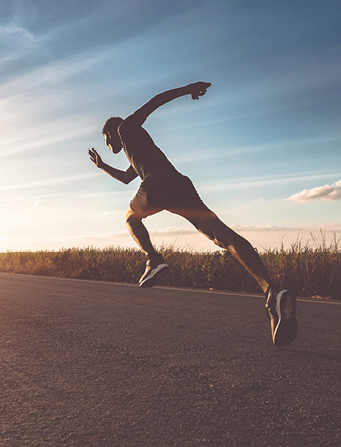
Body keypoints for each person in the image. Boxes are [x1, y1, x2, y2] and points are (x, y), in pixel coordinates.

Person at [88, 82, 297, 346]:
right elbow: (126, 178)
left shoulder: (125, 128)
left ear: (110, 134)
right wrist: (102, 166)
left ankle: (153, 259)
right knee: (222, 236)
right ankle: (272, 292)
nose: (107, 146)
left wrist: (189, 89)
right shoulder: (137, 150)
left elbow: (155, 102)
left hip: (157, 183)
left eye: (106, 143)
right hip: (180, 185)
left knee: (130, 218)